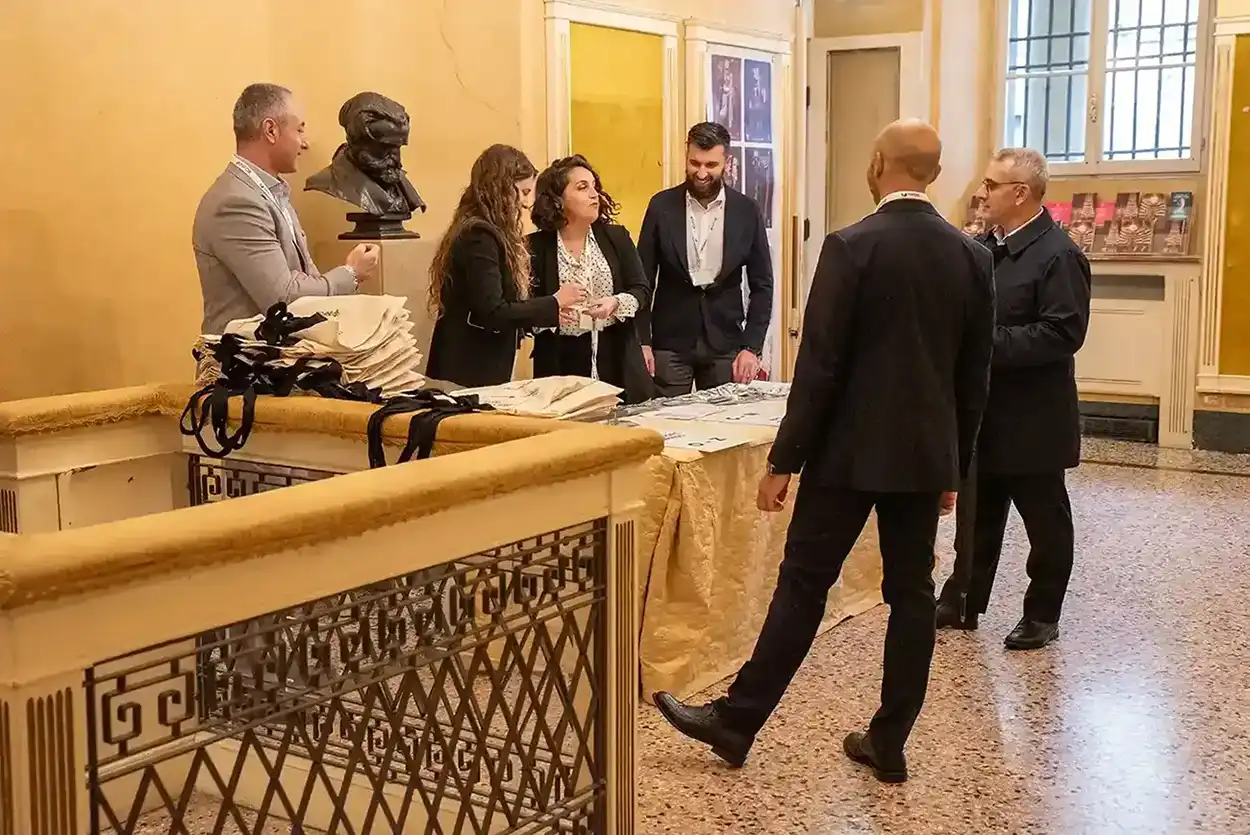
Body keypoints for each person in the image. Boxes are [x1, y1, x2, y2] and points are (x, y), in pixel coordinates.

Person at [653, 119, 995, 784]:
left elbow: (820, 367)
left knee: (805, 584)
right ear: (933, 173)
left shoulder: (851, 245)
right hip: (924, 456)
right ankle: (889, 739)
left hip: (846, 453)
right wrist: (954, 467)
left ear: (879, 162)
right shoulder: (971, 257)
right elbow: (973, 377)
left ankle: (737, 720)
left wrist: (784, 460)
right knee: (913, 593)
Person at [935, 147, 1091, 651]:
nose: (981, 193)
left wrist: (985, 344)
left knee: (1045, 522)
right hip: (984, 412)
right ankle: (963, 599)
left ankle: (1042, 613)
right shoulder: (985, 248)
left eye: (991, 184)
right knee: (977, 516)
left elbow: (1062, 333)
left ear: (1021, 193)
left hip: (1034, 418)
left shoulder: (1059, 255)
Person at [193, 83, 379, 334]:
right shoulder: (237, 202)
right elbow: (284, 298)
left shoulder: (269, 191)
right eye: (299, 129)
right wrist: (351, 274)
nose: (306, 143)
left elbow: (303, 279)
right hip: (247, 358)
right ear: (271, 130)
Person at [425, 145, 586, 388]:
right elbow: (492, 310)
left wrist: (548, 314)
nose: (526, 204)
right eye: (523, 192)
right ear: (500, 188)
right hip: (469, 367)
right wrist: (554, 302)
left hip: (480, 363)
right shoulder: (479, 236)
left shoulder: (486, 232)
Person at [637, 122, 774, 396]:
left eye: (711, 165)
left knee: (723, 420)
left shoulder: (747, 211)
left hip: (725, 343)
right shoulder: (661, 206)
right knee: (666, 418)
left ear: (726, 162)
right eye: (694, 163)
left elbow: (762, 285)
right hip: (669, 343)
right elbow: (642, 280)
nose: (701, 173)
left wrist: (751, 346)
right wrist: (642, 341)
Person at [528, 155, 653, 403]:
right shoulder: (535, 247)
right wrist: (550, 310)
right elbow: (522, 307)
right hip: (559, 359)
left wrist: (615, 303)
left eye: (594, 186)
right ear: (557, 199)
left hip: (615, 352)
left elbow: (641, 289)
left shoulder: (615, 237)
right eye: (582, 187)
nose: (594, 195)